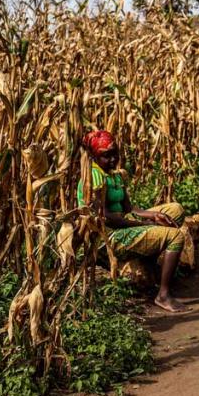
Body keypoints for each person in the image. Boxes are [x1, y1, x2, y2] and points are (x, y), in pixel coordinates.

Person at [78, 130, 190, 313]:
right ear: (93, 156)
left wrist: (153, 216)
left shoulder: (114, 174)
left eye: (115, 153)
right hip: (108, 236)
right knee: (175, 236)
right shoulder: (94, 177)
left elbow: (129, 209)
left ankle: (150, 261)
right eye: (106, 156)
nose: (113, 159)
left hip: (123, 221)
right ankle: (163, 294)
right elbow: (106, 218)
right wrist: (145, 225)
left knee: (175, 210)